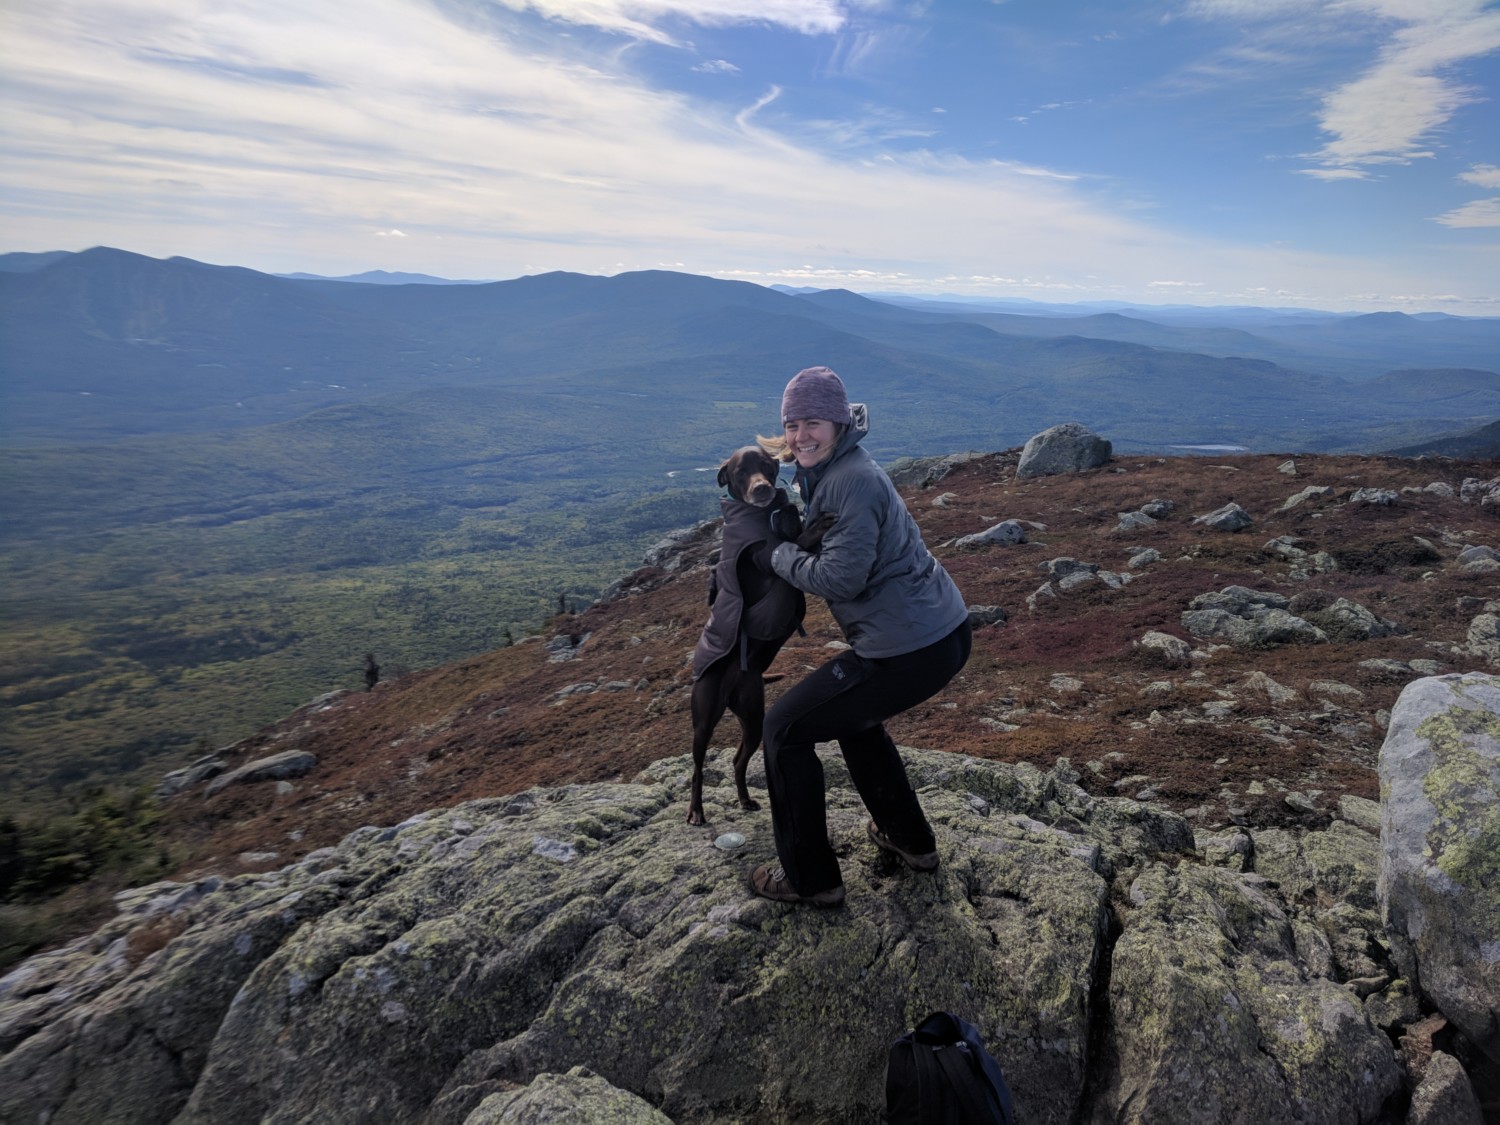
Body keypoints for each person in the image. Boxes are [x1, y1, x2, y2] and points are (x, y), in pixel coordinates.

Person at [747, 365, 972, 907]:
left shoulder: (853, 480)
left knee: (782, 730)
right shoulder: (835, 469)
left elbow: (840, 578)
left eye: (815, 422)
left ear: (840, 423)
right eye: (793, 423)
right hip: (937, 634)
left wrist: (779, 557)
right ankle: (910, 840)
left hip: (909, 649)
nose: (802, 435)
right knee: (855, 720)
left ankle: (810, 879)